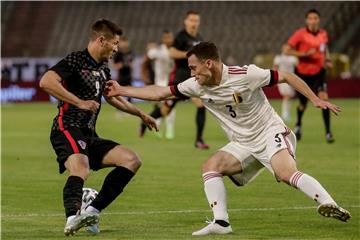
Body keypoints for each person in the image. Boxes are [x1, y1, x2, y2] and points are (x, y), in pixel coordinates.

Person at [104, 42, 351, 236]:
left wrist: (315, 99)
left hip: (269, 132)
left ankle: (329, 203)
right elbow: (160, 93)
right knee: (210, 167)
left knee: (286, 173)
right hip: (242, 143)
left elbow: (286, 76)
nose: (190, 73)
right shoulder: (196, 85)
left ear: (208, 64)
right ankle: (221, 222)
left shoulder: (245, 75)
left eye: (193, 67)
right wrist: (123, 89)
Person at [39, 19, 157, 236]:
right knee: (81, 169)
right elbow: (46, 81)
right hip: (66, 128)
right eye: (114, 43)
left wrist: (140, 113)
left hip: (89, 134)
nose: (116, 48)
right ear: (101, 40)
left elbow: (112, 98)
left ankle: (90, 210)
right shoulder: (76, 59)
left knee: (131, 160)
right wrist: (79, 102)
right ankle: (72, 218)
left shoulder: (103, 68)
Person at [285, 9, 334, 143]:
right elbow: (286, 50)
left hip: (319, 71)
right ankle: (299, 125)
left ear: (319, 20)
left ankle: (328, 132)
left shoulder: (323, 34)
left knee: (324, 98)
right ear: (307, 20)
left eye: (315, 18)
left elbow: (325, 49)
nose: (313, 21)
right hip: (303, 73)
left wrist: (328, 60)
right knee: (303, 104)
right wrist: (304, 54)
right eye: (310, 18)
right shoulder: (300, 34)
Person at [164, 10, 209, 148]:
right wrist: (189, 54)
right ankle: (144, 123)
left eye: (196, 20)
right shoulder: (181, 36)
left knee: (201, 105)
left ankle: (199, 140)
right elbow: (171, 53)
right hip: (179, 78)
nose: (194, 23)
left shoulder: (200, 38)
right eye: (191, 20)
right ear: (186, 21)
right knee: (165, 110)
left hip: (193, 79)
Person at [139, 30, 176, 139]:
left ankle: (169, 131)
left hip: (171, 84)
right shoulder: (158, 51)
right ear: (163, 39)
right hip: (159, 84)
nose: (169, 40)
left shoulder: (175, 50)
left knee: (170, 108)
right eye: (166, 38)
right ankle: (158, 127)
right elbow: (146, 60)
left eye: (170, 37)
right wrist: (144, 75)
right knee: (160, 108)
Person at [274, 44, 298, 122]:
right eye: (286, 49)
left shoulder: (293, 58)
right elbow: (275, 68)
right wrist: (274, 79)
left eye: (288, 49)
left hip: (291, 79)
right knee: (287, 96)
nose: (287, 50)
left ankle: (287, 112)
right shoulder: (278, 58)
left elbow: (297, 68)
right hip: (282, 79)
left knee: (289, 96)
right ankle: (285, 113)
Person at [112, 36, 135, 102]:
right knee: (119, 92)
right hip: (121, 76)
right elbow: (115, 66)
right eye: (123, 43)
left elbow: (132, 65)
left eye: (126, 42)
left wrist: (128, 65)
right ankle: (119, 108)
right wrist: (122, 65)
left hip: (129, 76)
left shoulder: (131, 53)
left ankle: (130, 107)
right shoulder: (118, 54)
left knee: (130, 93)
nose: (124, 44)